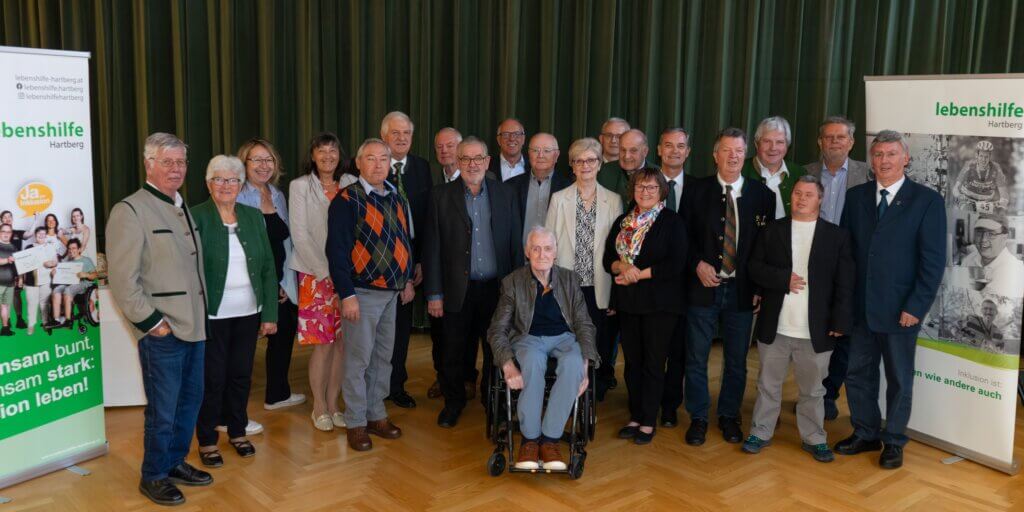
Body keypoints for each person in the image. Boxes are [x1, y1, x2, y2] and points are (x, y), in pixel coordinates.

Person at [107, 132, 212, 506]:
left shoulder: (182, 206)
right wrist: (153, 323)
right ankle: (153, 474)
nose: (175, 169)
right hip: (163, 330)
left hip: (195, 327)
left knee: (189, 402)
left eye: (181, 162)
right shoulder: (130, 210)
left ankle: (174, 462)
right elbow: (122, 280)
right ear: (148, 164)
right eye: (166, 161)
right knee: (163, 409)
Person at [834, 130, 946, 470]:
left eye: (891, 154)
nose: (884, 161)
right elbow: (846, 255)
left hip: (901, 312)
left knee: (899, 379)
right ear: (872, 159)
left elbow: (932, 262)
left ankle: (894, 441)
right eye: (878, 154)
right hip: (860, 309)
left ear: (905, 158)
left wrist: (915, 306)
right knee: (857, 374)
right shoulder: (855, 198)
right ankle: (865, 432)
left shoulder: (926, 201)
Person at [743, 176, 855, 463]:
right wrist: (782, 279)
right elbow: (754, 267)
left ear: (820, 199)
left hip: (816, 329)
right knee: (768, 385)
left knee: (814, 390)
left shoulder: (837, 236)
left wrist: (840, 322)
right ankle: (761, 431)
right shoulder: (772, 230)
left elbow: (845, 283)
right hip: (776, 325)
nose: (801, 198)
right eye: (797, 193)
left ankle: (814, 437)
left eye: (808, 194)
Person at [681, 127, 775, 446]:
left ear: (745, 154)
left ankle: (728, 415)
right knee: (696, 357)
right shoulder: (695, 191)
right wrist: (697, 264)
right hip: (702, 288)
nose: (733, 156)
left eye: (739, 151)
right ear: (715, 154)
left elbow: (765, 248)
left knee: (736, 359)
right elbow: (684, 238)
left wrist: (760, 286)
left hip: (743, 290)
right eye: (727, 150)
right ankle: (698, 416)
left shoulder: (763, 196)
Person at [425, 136, 524, 428]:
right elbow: (431, 249)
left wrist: (518, 291)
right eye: (465, 159)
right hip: (457, 289)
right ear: (457, 161)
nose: (472, 164)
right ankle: (453, 402)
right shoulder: (440, 196)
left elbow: (516, 247)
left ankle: (492, 402)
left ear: (488, 161)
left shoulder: (506, 195)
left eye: (478, 158)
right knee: (452, 351)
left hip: (497, 290)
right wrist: (433, 293)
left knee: (496, 350)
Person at [326, 138, 415, 451]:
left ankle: (377, 414)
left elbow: (404, 241)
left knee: (383, 358)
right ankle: (356, 421)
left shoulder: (396, 197)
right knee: (358, 360)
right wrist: (346, 294)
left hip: (391, 292)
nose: (378, 165)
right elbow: (336, 252)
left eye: (384, 159)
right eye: (371, 159)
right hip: (361, 293)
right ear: (359, 163)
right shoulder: (346, 200)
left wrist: (406, 280)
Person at [190, 155, 278, 467]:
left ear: (241, 185)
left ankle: (238, 431)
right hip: (212, 314)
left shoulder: (253, 217)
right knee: (213, 378)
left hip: (248, 312)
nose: (226, 185)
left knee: (241, 375)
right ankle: (208, 439)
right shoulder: (195, 216)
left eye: (232, 180)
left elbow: (268, 266)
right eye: (219, 179)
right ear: (208, 183)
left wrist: (269, 313)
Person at [488, 226, 598, 470]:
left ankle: (550, 440)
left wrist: (585, 364)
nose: (542, 254)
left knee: (572, 363)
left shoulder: (570, 279)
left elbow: (584, 324)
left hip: (564, 337)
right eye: (535, 249)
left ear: (556, 252)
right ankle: (529, 439)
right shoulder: (512, 282)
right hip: (528, 338)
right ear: (527, 252)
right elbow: (497, 329)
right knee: (532, 361)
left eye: (547, 248)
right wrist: (507, 365)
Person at [603, 168, 688, 444]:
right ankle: (636, 416)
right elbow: (608, 259)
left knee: (653, 363)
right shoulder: (622, 222)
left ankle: (649, 420)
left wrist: (636, 274)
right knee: (632, 364)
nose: (646, 192)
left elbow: (676, 264)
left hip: (660, 305)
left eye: (652, 187)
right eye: (640, 187)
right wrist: (622, 266)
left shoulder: (672, 222)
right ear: (633, 190)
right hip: (628, 303)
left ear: (662, 191)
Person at [802, 115, 873, 420]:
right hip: (810, 262)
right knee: (811, 331)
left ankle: (829, 393)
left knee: (842, 331)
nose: (834, 142)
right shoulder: (806, 173)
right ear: (820, 142)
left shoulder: (867, 174)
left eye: (840, 137)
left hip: (850, 264)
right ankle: (810, 392)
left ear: (851, 142)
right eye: (828, 137)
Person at [289, 132, 358, 432]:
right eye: (321, 151)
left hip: (347, 276)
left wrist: (344, 273)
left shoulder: (351, 184)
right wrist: (326, 272)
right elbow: (300, 235)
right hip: (315, 276)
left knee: (343, 343)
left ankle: (334, 403)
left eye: (332, 150)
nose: (327, 156)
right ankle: (318, 406)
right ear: (313, 155)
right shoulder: (300, 186)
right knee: (323, 344)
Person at [546, 138, 623, 401]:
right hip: (568, 287)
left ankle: (593, 393)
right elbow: (549, 247)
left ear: (600, 164)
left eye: (591, 160)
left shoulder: (613, 201)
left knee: (599, 341)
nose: (585, 165)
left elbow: (618, 250)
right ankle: (567, 390)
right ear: (572, 166)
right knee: (568, 342)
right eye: (579, 160)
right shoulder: (559, 199)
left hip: (600, 286)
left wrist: (616, 293)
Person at [236, 137, 306, 412]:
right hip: (251, 283)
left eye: (269, 160)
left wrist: (285, 283)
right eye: (257, 160)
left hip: (282, 281)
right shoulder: (238, 195)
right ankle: (231, 411)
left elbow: (284, 241)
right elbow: (242, 246)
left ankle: (277, 394)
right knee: (242, 349)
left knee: (284, 336)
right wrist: (266, 284)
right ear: (244, 164)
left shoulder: (277, 194)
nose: (264, 166)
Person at [380, 111, 432, 410]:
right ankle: (373, 386)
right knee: (376, 331)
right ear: (384, 135)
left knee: (401, 328)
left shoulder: (422, 167)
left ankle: (396, 385)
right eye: (395, 133)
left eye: (406, 134)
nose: (401, 139)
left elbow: (426, 218)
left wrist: (421, 260)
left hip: (410, 262)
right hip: (377, 263)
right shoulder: (372, 165)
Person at [426, 127, 469, 401]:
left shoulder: (482, 181)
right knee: (441, 335)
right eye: (439, 147)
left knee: (468, 334)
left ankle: (467, 379)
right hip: (442, 273)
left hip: (469, 275)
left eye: (450, 146)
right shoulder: (432, 183)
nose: (444, 151)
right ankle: (443, 378)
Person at [656, 127, 692, 427]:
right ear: (658, 150)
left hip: (685, 286)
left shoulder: (700, 189)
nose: (674, 151)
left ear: (688, 152)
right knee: (649, 351)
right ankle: (644, 403)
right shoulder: (642, 186)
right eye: (669, 145)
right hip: (649, 284)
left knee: (678, 351)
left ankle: (670, 405)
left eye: (681, 146)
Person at [509, 132, 572, 241]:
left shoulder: (568, 188)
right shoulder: (510, 186)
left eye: (546, 151)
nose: (540, 155)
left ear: (556, 155)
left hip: (555, 256)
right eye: (535, 150)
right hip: (519, 256)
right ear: (529, 154)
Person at [741, 116, 805, 219]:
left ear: (787, 146)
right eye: (767, 141)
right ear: (756, 144)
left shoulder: (799, 173)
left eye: (779, 142)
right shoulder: (740, 171)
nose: (773, 148)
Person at [960, 214, 1024, 299]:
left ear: (1005, 237)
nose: (983, 240)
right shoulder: (968, 260)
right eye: (979, 233)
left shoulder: (1015, 268)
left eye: (991, 234)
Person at [597, 129, 660, 206]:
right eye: (623, 150)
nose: (627, 156)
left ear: (645, 152)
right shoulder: (603, 172)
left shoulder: (658, 174)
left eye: (633, 151)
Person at [45, 238, 97, 328]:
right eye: (69, 248)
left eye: (74, 248)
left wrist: (86, 275)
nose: (71, 250)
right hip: (70, 283)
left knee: (68, 290)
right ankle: (56, 320)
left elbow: (95, 275)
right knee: (56, 290)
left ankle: (68, 320)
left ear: (79, 249)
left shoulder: (86, 260)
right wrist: (55, 274)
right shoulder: (68, 262)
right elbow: (63, 278)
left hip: (84, 284)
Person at [953, 140, 1009, 213]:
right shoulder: (969, 166)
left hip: (986, 203)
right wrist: (959, 196)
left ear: (990, 157)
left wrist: (1003, 202)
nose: (983, 159)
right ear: (977, 155)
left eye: (986, 157)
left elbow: (1004, 193)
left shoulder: (996, 168)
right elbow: (955, 188)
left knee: (997, 217)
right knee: (967, 211)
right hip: (967, 200)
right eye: (981, 156)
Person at [22, 227, 58, 334]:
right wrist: (22, 279)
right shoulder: (28, 247)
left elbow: (55, 262)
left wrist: (51, 263)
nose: (41, 235)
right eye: (39, 233)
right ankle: (31, 325)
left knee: (44, 303)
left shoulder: (51, 247)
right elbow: (23, 264)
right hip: (30, 280)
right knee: (32, 304)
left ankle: (46, 323)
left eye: (43, 233)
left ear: (46, 235)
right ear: (35, 235)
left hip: (46, 279)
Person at [0, 224, 18, 335]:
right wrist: (8, 260)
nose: (6, 234)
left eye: (8, 232)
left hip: (10, 283)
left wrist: (19, 277)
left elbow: (18, 265)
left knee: (5, 305)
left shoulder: (13, 247)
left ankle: (5, 328)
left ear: (11, 234)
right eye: (3, 231)